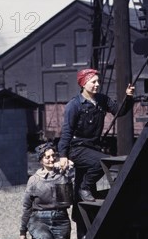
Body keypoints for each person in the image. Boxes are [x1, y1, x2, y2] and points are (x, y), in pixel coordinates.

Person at [58, 68, 135, 203]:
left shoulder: (102, 99)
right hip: (76, 148)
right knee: (104, 161)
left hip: (92, 147)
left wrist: (128, 97)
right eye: (93, 82)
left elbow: (119, 111)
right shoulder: (74, 105)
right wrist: (63, 155)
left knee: (88, 178)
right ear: (83, 84)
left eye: (98, 81)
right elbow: (67, 131)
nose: (97, 84)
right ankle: (84, 188)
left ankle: (82, 205)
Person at [19, 142, 74, 239]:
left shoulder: (62, 175)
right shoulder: (34, 180)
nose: (51, 159)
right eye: (47, 157)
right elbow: (26, 207)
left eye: (53, 156)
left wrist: (69, 171)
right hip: (39, 219)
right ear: (41, 160)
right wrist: (22, 232)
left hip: (61, 219)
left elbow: (69, 196)